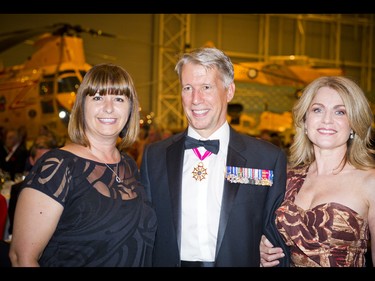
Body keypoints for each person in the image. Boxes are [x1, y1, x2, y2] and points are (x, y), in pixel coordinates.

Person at [140, 47, 289, 267]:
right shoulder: (155, 156)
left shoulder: (266, 159)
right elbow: (144, 230)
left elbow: (276, 233)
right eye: (187, 88)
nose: (195, 99)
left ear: (229, 91)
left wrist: (265, 248)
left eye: (206, 87)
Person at [9, 63, 157, 267]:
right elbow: (22, 258)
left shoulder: (128, 165)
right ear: (81, 106)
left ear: (130, 109)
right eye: (97, 97)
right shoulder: (58, 166)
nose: (108, 108)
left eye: (119, 99)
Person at [259, 76, 375, 267]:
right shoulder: (285, 178)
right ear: (305, 122)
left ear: (354, 123)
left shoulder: (370, 182)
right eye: (317, 110)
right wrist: (261, 248)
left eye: (340, 112)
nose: (327, 120)